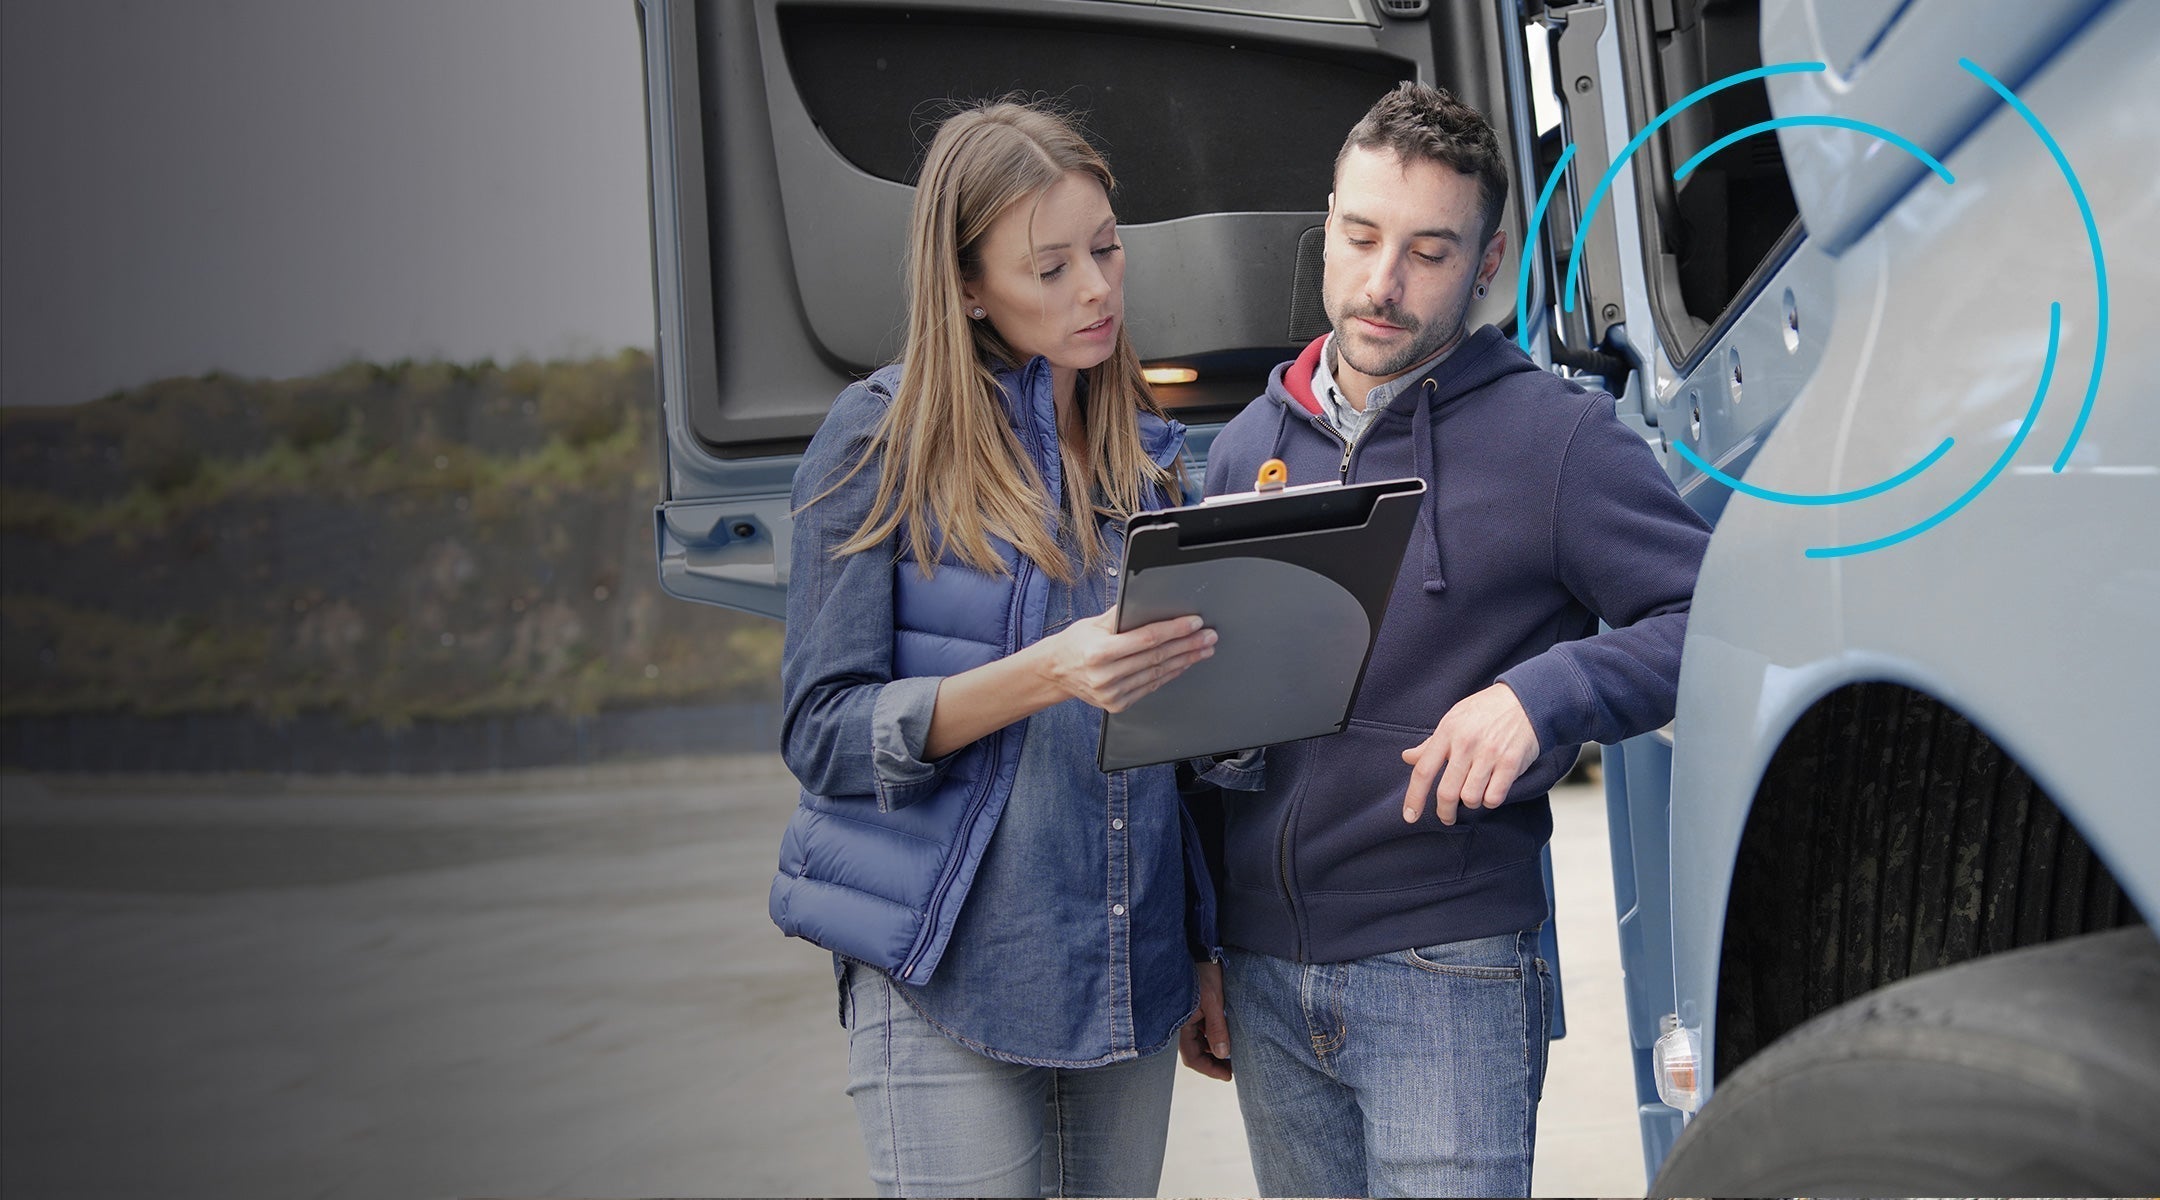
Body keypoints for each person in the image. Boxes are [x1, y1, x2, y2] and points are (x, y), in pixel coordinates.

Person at [1182, 82, 1712, 1197]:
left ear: (1486, 261)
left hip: (1450, 968)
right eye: (1362, 236)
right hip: (1266, 975)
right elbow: (1204, 728)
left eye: (1428, 250)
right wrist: (1202, 947)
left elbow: (1712, 621)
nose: (1382, 284)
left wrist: (1546, 694)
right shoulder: (1238, 453)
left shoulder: (1561, 443)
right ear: (1325, 224)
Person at [771, 100, 1235, 1198]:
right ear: (969, 286)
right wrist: (1047, 674)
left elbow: (1189, 752)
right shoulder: (876, 441)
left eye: (1107, 249)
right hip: (949, 977)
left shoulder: (1158, 466)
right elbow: (822, 733)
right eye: (1051, 268)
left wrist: (1207, 949)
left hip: (1130, 979)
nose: (1097, 290)